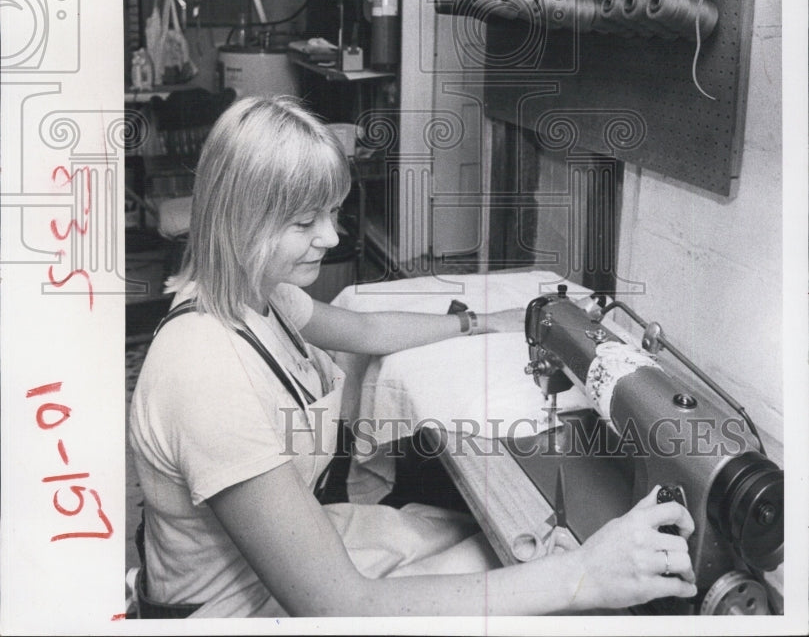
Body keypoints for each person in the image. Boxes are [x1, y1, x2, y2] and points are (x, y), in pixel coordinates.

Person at [129, 95, 697, 618]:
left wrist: (476, 323)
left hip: (283, 551)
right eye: (306, 222)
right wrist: (583, 578)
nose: (331, 236)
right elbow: (341, 607)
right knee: (533, 575)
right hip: (231, 610)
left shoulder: (259, 292)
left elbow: (365, 327)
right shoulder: (205, 371)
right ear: (240, 223)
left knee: (478, 538)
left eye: (330, 212)